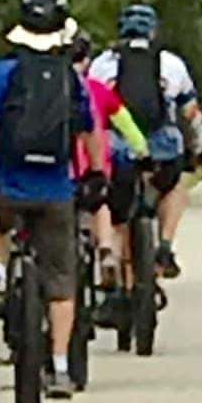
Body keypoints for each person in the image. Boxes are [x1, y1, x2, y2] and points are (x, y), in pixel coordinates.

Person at [0, 0, 96, 399]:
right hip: (55, 189)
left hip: (8, 187)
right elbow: (88, 129)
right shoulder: (68, 78)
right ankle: (60, 366)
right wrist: (95, 175)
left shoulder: (1, 73)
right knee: (62, 280)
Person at [91, 3, 202, 279]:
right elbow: (190, 112)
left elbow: (91, 110)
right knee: (175, 186)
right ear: (153, 31)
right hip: (162, 145)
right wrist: (196, 149)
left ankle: (113, 266)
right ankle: (165, 244)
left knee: (116, 208)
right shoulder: (171, 63)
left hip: (117, 145)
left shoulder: (103, 64)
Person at [69, 35, 149, 289]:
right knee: (99, 202)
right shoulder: (98, 89)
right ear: (87, 61)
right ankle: (106, 250)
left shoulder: (49, 89)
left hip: (63, 163)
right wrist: (142, 151)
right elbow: (128, 126)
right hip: (96, 161)